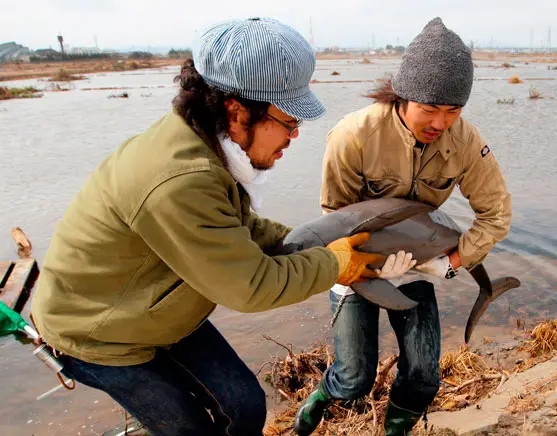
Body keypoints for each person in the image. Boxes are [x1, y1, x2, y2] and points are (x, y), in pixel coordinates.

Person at [30, 17, 394, 436]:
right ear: (236, 110)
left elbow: (233, 225)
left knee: (243, 407)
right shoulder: (180, 179)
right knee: (189, 430)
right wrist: (333, 265)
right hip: (98, 334)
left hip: (159, 310)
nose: (294, 136)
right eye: (289, 121)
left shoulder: (202, 143)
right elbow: (251, 287)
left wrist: (300, 241)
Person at [294, 17, 513, 435]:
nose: (440, 123)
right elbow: (335, 216)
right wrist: (363, 268)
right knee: (353, 380)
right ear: (402, 96)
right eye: (429, 109)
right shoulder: (353, 135)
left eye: (453, 111)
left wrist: (452, 260)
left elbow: (496, 213)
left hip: (417, 259)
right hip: (352, 260)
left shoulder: (464, 140)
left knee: (423, 376)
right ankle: (320, 400)